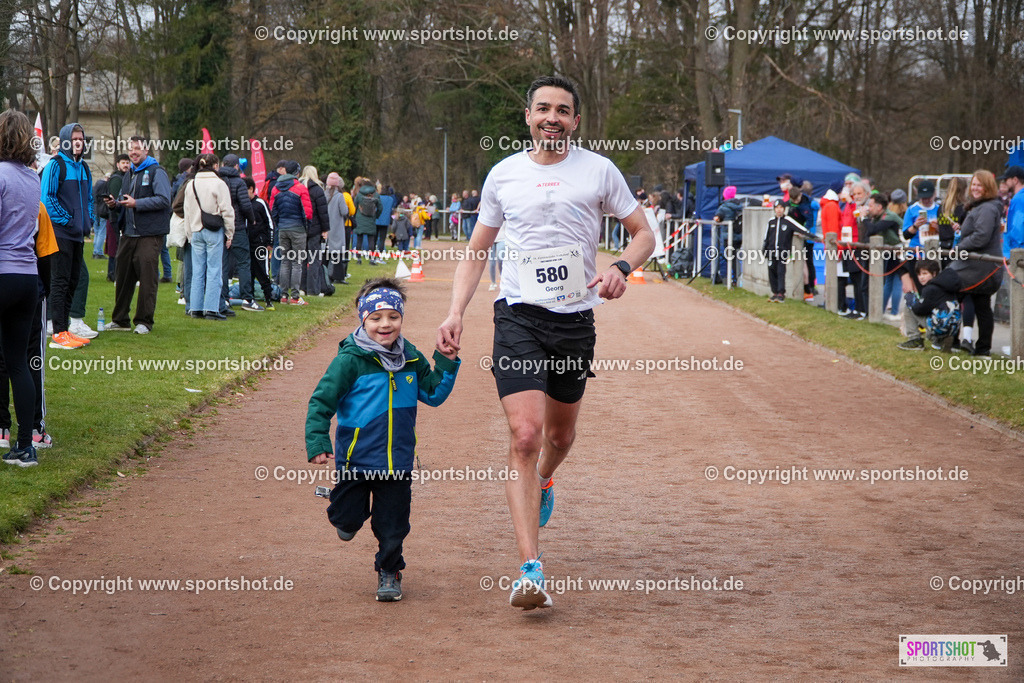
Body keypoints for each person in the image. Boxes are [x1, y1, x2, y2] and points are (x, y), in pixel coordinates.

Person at [436, 75, 655, 611]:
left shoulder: (598, 170)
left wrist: (622, 266)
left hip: (575, 321)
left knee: (559, 437)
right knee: (526, 433)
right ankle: (529, 569)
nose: (552, 117)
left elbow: (644, 232)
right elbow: (476, 251)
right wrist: (455, 311)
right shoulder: (503, 175)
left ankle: (546, 481)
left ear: (575, 121)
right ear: (528, 117)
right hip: (517, 318)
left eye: (563, 110)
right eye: (543, 108)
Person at [306, 277, 460, 602]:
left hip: (397, 463)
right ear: (363, 319)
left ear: (401, 318)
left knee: (393, 526)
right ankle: (342, 509)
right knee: (346, 521)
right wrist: (317, 441)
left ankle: (389, 571)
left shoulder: (411, 357)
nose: (385, 324)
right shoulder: (350, 360)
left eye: (393, 316)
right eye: (375, 317)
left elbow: (432, 394)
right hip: (356, 462)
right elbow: (321, 401)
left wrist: (445, 360)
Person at [0, 110, 46, 466]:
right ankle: (25, 445)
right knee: (19, 364)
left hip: (3, 272)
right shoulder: (33, 178)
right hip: (27, 277)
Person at [103, 136, 172, 334]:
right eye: (130, 149)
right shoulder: (129, 174)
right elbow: (126, 200)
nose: (133, 152)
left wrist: (137, 204)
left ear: (146, 151)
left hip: (150, 234)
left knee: (148, 279)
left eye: (137, 149)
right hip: (129, 234)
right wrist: (115, 204)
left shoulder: (156, 171)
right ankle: (120, 320)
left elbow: (164, 200)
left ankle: (144, 321)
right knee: (123, 277)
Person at [41, 122, 94, 349]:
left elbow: (89, 199)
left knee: (74, 280)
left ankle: (65, 330)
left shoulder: (83, 168)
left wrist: (88, 220)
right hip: (61, 234)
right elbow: (47, 199)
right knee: (60, 283)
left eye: (81, 138)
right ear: (64, 141)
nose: (78, 142)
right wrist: (70, 221)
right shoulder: (55, 166)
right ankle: (58, 332)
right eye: (74, 139)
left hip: (78, 235)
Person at [949, 170, 1003, 357]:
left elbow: (981, 236)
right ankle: (960, 341)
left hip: (982, 268)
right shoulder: (978, 206)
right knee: (976, 303)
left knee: (971, 301)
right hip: (975, 265)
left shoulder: (987, 208)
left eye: (979, 185)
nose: (975, 188)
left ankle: (979, 347)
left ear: (988, 187)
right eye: (973, 184)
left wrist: (960, 247)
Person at [181, 153, 234, 320]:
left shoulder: (191, 184)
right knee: (214, 270)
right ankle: (211, 309)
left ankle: (195, 308)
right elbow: (227, 210)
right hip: (213, 230)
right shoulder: (219, 183)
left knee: (197, 271)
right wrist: (229, 233)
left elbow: (187, 211)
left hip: (195, 229)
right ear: (216, 166)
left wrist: (189, 232)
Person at [218, 154, 260, 312]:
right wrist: (252, 219)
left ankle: (224, 298)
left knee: (223, 264)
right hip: (237, 226)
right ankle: (247, 298)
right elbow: (245, 205)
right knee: (243, 262)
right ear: (236, 166)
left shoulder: (218, 181)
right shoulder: (239, 182)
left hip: (220, 226)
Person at [269, 161, 312, 305]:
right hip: (297, 229)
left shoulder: (276, 188)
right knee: (297, 263)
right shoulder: (300, 188)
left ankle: (283, 295)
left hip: (282, 228)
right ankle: (295, 297)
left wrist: (279, 223)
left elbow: (272, 209)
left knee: (285, 262)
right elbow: (308, 212)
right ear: (297, 173)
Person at [858, 192, 902, 320]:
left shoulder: (889, 216)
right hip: (883, 252)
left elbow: (873, 230)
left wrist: (864, 218)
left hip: (898, 252)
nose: (868, 208)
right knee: (870, 284)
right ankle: (870, 314)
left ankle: (889, 312)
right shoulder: (876, 217)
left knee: (892, 282)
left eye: (870, 206)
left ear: (879, 207)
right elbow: (868, 235)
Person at [905, 260, 962, 352]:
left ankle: (915, 339)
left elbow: (919, 310)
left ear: (934, 273)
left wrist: (911, 300)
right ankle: (942, 341)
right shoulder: (949, 285)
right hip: (954, 327)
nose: (921, 277)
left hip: (940, 326)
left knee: (908, 304)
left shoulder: (930, 289)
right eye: (919, 274)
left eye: (925, 273)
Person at [762, 199, 813, 302]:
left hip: (782, 252)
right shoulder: (771, 221)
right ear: (774, 209)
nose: (779, 210)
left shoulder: (788, 221)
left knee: (781, 272)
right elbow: (766, 237)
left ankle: (781, 293)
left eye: (781, 208)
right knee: (771, 271)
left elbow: (800, 229)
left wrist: (813, 236)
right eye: (777, 208)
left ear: (784, 209)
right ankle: (774, 292)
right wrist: (764, 249)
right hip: (771, 252)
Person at [243, 176, 276, 308]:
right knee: (248, 272)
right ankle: (249, 298)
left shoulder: (260, 203)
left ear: (251, 189)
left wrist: (270, 242)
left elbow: (270, 223)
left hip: (260, 244)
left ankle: (269, 298)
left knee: (263, 271)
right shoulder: (243, 205)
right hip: (247, 244)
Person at [299, 164, 330, 296]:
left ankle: (302, 288)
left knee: (302, 259)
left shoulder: (298, 187)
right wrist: (325, 229)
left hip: (300, 228)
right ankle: (313, 290)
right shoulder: (318, 190)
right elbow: (322, 212)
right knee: (314, 260)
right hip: (315, 228)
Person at [712, 186, 744, 285]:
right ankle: (738, 278)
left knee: (730, 258)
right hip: (739, 236)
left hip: (728, 236)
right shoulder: (740, 205)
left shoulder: (723, 207)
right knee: (738, 258)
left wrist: (716, 218)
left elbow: (718, 218)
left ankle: (733, 279)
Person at [104, 154, 129, 281]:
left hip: (120, 217)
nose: (126, 165)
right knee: (115, 246)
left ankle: (115, 273)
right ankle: (113, 273)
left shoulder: (126, 177)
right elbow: (113, 199)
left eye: (127, 162)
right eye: (123, 162)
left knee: (117, 245)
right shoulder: (117, 179)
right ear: (118, 164)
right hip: (115, 217)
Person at [902, 180, 939, 248]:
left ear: (934, 194)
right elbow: (906, 236)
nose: (926, 200)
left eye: (928, 197)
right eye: (923, 198)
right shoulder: (911, 209)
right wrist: (915, 226)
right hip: (916, 250)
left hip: (935, 250)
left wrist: (939, 227)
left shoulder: (940, 209)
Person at [999, 166, 1024, 262]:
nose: (1005, 183)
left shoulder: (1018, 199)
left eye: (1006, 179)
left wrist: (1013, 253)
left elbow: (1018, 228)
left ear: (1015, 180)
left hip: (1018, 254)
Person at [353, 180, 382, 263]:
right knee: (371, 241)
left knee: (359, 240)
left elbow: (354, 207)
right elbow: (380, 207)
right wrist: (376, 216)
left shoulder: (359, 195)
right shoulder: (375, 195)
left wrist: (355, 217)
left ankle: (358, 259)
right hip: (371, 219)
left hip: (359, 220)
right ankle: (372, 259)